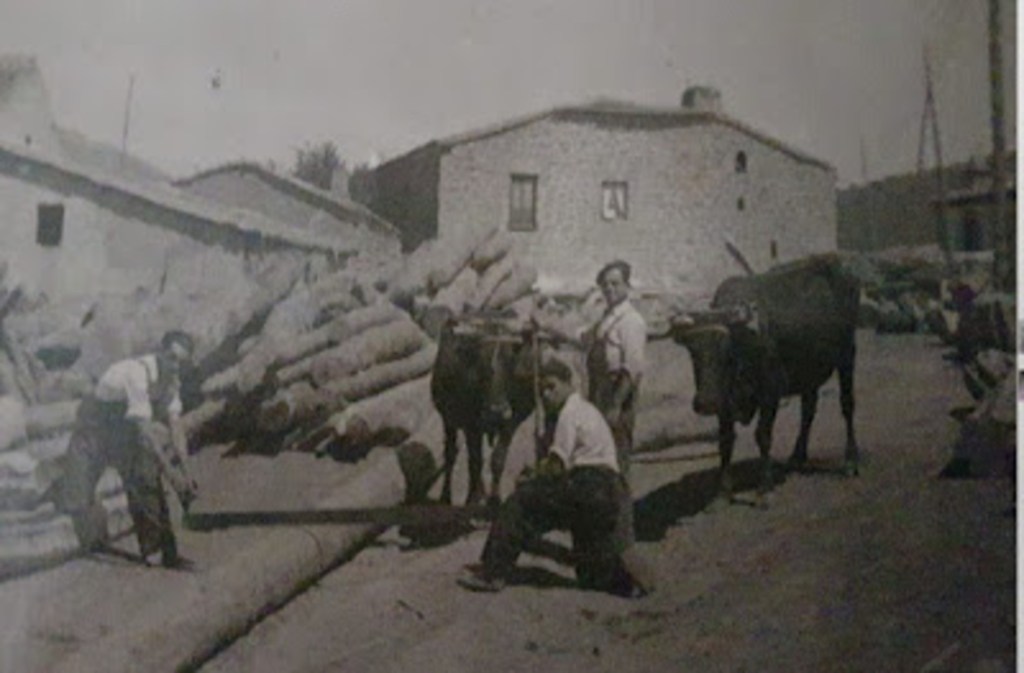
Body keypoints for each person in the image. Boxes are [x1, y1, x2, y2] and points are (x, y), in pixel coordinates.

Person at [457, 357, 637, 595]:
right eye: (542, 390)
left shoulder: (569, 413)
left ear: (569, 384)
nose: (546, 394)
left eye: (552, 387)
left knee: (519, 503)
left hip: (586, 484)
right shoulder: (589, 410)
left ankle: (492, 572)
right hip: (608, 493)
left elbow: (557, 464)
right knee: (592, 574)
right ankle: (627, 584)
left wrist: (532, 476)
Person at [54, 330, 199, 569]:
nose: (175, 366)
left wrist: (187, 473)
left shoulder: (171, 381)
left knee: (145, 477)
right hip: (95, 424)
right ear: (160, 352)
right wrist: (173, 475)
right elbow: (146, 432)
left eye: (181, 362)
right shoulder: (137, 373)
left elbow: (176, 427)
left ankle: (159, 551)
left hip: (125, 426)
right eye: (172, 358)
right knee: (78, 492)